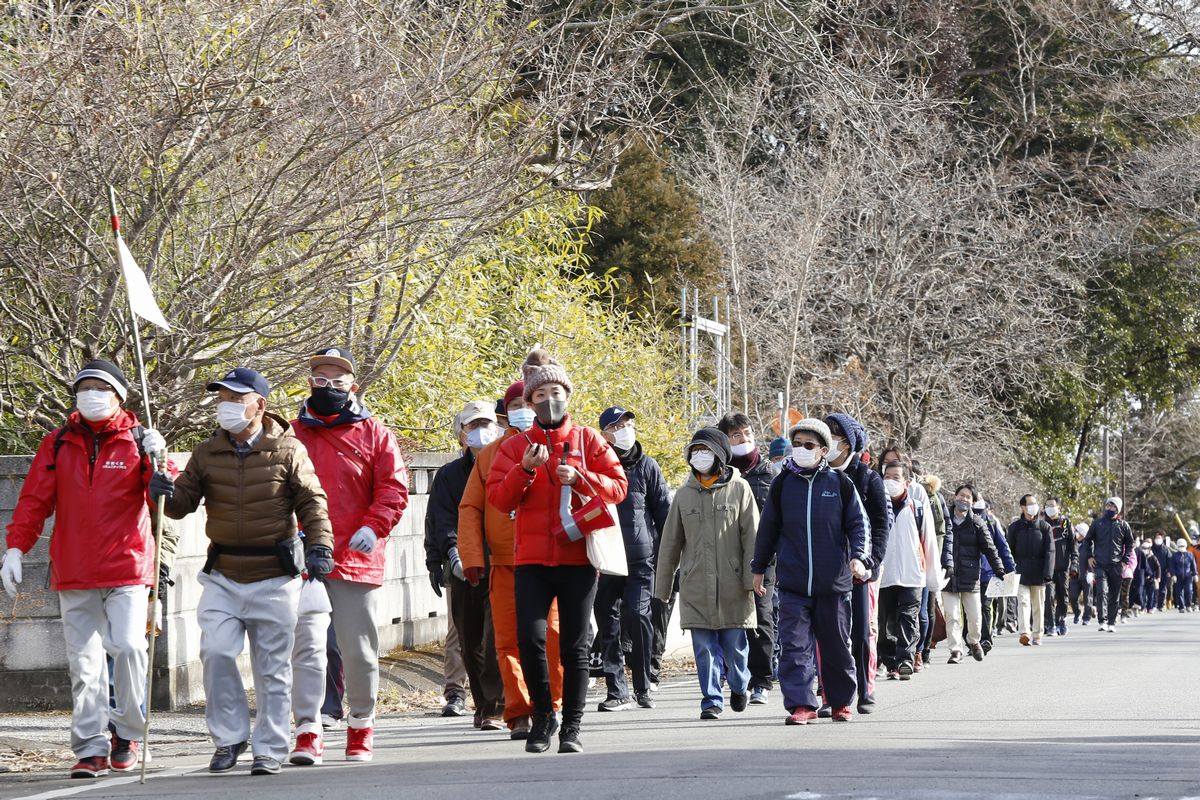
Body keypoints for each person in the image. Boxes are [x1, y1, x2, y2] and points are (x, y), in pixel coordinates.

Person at [154, 367, 334, 776]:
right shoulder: (205, 452)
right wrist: (161, 490)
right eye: (222, 399)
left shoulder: (288, 450)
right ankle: (229, 737)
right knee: (215, 653)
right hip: (222, 573)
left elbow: (312, 501)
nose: (227, 406)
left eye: (236, 399)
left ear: (260, 404)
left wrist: (321, 545)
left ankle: (269, 747)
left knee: (272, 667)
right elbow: (181, 504)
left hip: (275, 573)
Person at [2, 361, 168, 778]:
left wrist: (161, 462)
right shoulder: (57, 443)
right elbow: (34, 501)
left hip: (128, 565)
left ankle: (128, 733)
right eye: (84, 388)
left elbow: (167, 497)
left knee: (128, 647)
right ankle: (91, 747)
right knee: (85, 665)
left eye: (100, 388)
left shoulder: (138, 440)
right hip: (74, 569)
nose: (90, 395)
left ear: (119, 396)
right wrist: (15, 549)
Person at [487, 349, 628, 755]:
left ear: (567, 395)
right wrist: (526, 470)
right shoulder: (515, 447)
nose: (549, 399)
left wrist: (581, 477)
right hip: (530, 559)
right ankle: (543, 717)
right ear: (528, 402)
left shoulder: (587, 438)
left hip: (578, 558)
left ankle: (572, 725)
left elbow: (618, 488)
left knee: (575, 645)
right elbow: (499, 499)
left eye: (556, 391)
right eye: (540, 394)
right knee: (530, 640)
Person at [287, 348, 409, 764]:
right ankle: (308, 729)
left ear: (352, 386)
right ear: (309, 383)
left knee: (358, 649)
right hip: (303, 556)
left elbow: (394, 489)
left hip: (356, 556)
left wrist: (372, 527)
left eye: (337, 381)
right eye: (320, 379)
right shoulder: (289, 434)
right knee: (306, 646)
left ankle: (361, 723)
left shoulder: (375, 433)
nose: (328, 387)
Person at [460, 380, 564, 740]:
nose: (523, 409)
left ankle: (550, 704)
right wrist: (472, 556)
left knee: (551, 637)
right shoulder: (491, 455)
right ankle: (518, 711)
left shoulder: (562, 445)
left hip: (549, 561)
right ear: (505, 413)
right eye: (515, 404)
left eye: (527, 402)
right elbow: (471, 507)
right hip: (504, 563)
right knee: (506, 641)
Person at [753, 418, 869, 725]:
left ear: (822, 450)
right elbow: (767, 529)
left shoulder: (840, 484)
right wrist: (758, 567)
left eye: (809, 445)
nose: (801, 450)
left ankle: (840, 701)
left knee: (835, 646)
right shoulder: (781, 484)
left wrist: (859, 557)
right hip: (792, 583)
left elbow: (859, 524)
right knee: (794, 646)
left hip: (833, 584)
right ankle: (802, 704)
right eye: (797, 444)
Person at [655, 428, 758, 720]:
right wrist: (662, 588)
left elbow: (753, 536)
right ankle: (711, 699)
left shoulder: (740, 490)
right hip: (696, 584)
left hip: (733, 585)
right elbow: (670, 543)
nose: (699, 456)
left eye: (706, 450)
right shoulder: (684, 495)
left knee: (735, 649)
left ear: (720, 455)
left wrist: (753, 576)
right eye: (695, 451)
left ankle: (739, 686)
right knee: (704, 648)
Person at [426, 401, 505, 731]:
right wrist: (444, 556)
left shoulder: (505, 465)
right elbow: (440, 519)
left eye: (487, 424)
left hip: (500, 563)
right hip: (462, 567)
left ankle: (493, 707)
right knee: (467, 637)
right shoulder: (448, 475)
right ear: (461, 434)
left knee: (495, 635)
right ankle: (473, 697)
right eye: (472, 426)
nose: (481, 431)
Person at [593, 407, 670, 711]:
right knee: (607, 621)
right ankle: (616, 689)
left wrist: (667, 558)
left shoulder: (648, 466)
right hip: (605, 558)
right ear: (605, 434)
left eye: (627, 423)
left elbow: (664, 512)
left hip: (641, 560)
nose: (624, 429)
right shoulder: (596, 466)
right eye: (616, 425)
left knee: (637, 617)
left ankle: (643, 683)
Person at [824, 413, 891, 714]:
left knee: (862, 631)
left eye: (838, 437)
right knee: (827, 632)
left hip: (861, 568)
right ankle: (829, 694)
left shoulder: (867, 477)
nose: (832, 443)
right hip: (825, 566)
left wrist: (871, 561)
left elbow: (881, 524)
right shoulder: (816, 475)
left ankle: (865, 689)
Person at [716, 413, 777, 705]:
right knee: (732, 619)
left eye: (747, 433)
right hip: (727, 557)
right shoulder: (719, 474)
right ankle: (734, 674)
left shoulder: (769, 474)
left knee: (762, 617)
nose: (744, 440)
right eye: (736, 435)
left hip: (764, 558)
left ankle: (762, 679)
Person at [877, 461, 939, 680]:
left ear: (907, 482)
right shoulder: (876, 506)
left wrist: (933, 578)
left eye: (896, 477)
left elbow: (929, 539)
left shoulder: (917, 507)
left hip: (913, 572)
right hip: (884, 573)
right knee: (885, 622)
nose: (890, 482)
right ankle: (890, 661)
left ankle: (905, 659)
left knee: (908, 617)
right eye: (887, 477)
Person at [941, 485, 1005, 664]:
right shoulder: (945, 520)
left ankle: (973, 641)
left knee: (975, 617)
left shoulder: (977, 523)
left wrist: (999, 569)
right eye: (961, 495)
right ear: (954, 497)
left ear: (973, 502)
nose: (964, 499)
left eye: (968, 497)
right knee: (952, 616)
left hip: (971, 576)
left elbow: (990, 549)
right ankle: (955, 650)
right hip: (949, 576)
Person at [1079, 497, 1134, 633]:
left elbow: (1130, 544)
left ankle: (1111, 622)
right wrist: (1090, 556)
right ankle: (1102, 621)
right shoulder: (1097, 523)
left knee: (1114, 595)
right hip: (1100, 564)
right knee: (1101, 591)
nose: (1109, 508)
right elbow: (1087, 541)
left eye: (1113, 506)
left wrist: (1125, 561)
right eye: (1108, 506)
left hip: (1116, 565)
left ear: (1118, 509)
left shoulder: (1123, 525)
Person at [1006, 495, 1052, 646]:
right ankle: (1024, 632)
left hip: (1039, 572)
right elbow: (1009, 550)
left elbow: (1050, 552)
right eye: (1030, 504)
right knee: (1023, 602)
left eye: (1035, 503)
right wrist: (1009, 570)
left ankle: (1037, 635)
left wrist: (1048, 573)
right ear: (1023, 507)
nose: (1034, 506)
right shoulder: (1014, 528)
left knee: (1038, 604)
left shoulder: (1044, 527)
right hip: (1021, 572)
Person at [976, 495, 1015, 653]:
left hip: (988, 571)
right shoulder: (958, 517)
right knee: (971, 609)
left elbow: (1002, 546)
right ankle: (972, 639)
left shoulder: (992, 522)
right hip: (967, 573)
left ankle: (985, 638)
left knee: (985, 606)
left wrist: (1010, 568)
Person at [1041, 498, 1074, 636]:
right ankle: (1051, 624)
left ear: (1058, 507)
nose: (1050, 508)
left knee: (1063, 596)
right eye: (1047, 506)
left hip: (1063, 567)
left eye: (1052, 506)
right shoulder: (1042, 524)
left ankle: (1062, 620)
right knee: (1048, 596)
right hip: (1047, 568)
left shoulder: (1065, 523)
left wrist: (1074, 565)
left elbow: (1073, 546)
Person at [1170, 539, 1197, 612]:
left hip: (1188, 576)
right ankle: (1181, 607)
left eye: (1183, 546)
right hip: (1178, 576)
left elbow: (1193, 565)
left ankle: (1188, 605)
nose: (1181, 547)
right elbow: (1172, 566)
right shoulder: (1174, 556)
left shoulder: (1190, 554)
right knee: (1179, 592)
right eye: (1180, 546)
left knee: (1189, 591)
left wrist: (1195, 574)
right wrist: (1173, 575)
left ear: (1185, 546)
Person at [1152, 532, 1171, 611]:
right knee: (1153, 589)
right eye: (1157, 538)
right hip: (1153, 572)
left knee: (1162, 589)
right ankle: (1153, 605)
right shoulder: (1151, 549)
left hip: (1164, 571)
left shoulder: (1166, 549)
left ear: (1163, 539)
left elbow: (1170, 560)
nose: (1158, 540)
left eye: (1159, 538)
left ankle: (1161, 605)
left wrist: (1169, 571)